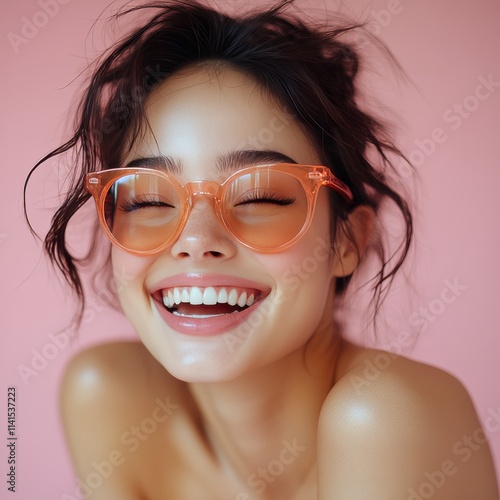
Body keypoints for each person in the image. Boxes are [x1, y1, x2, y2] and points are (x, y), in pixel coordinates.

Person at [25, 0, 499, 498]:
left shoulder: (381, 416)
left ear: (347, 241)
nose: (196, 241)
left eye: (260, 196)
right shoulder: (107, 397)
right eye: (148, 199)